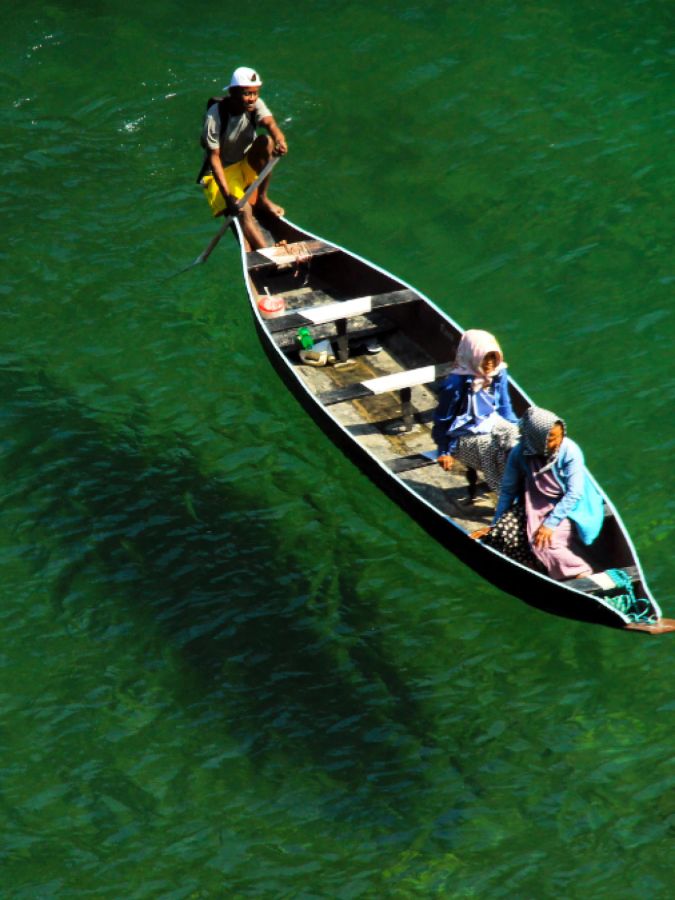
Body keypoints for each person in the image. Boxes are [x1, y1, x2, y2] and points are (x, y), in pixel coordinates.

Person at [474, 406, 604, 579]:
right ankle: (537, 566)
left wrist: (550, 524)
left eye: (560, 436)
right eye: (551, 439)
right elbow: (508, 491)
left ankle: (579, 571)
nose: (557, 442)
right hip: (536, 505)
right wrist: (495, 523)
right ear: (537, 438)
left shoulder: (569, 451)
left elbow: (574, 493)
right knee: (502, 532)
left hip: (571, 509)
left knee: (543, 543)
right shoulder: (520, 453)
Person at [200, 66, 288, 250]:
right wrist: (228, 197)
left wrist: (280, 139)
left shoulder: (255, 105)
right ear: (233, 92)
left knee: (267, 141)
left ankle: (262, 199)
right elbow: (214, 158)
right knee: (244, 209)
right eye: (247, 93)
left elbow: (270, 123)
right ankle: (268, 252)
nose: (252, 98)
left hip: (244, 163)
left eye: (255, 93)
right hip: (220, 172)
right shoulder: (215, 116)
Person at [432, 329, 520, 492]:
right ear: (473, 356)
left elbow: (504, 407)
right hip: (463, 433)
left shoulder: (499, 372)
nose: (489, 363)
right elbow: (442, 421)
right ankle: (506, 494)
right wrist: (444, 451)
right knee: (492, 452)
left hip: (491, 421)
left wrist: (516, 428)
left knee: (519, 443)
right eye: (484, 358)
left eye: (493, 357)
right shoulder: (454, 385)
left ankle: (526, 487)